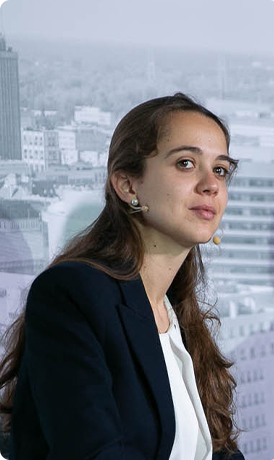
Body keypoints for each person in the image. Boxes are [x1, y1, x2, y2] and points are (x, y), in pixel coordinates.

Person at [0, 93, 245, 459]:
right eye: (186, 163)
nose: (211, 184)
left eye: (221, 170)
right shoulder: (72, 295)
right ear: (128, 186)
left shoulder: (180, 316)